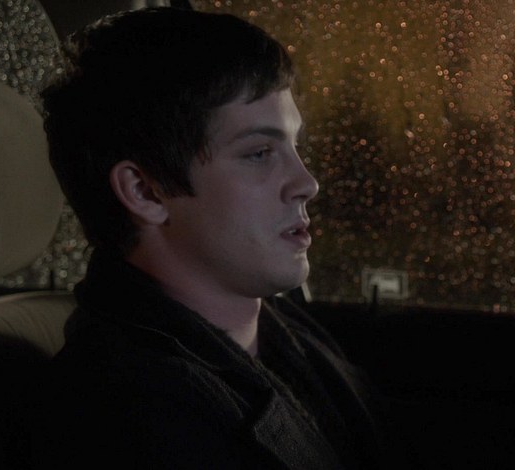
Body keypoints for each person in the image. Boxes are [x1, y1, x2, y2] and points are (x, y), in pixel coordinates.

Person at [30, 7, 382, 469]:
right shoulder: (129, 416)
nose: (306, 183)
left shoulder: (287, 336)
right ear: (146, 191)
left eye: (295, 147)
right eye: (259, 153)